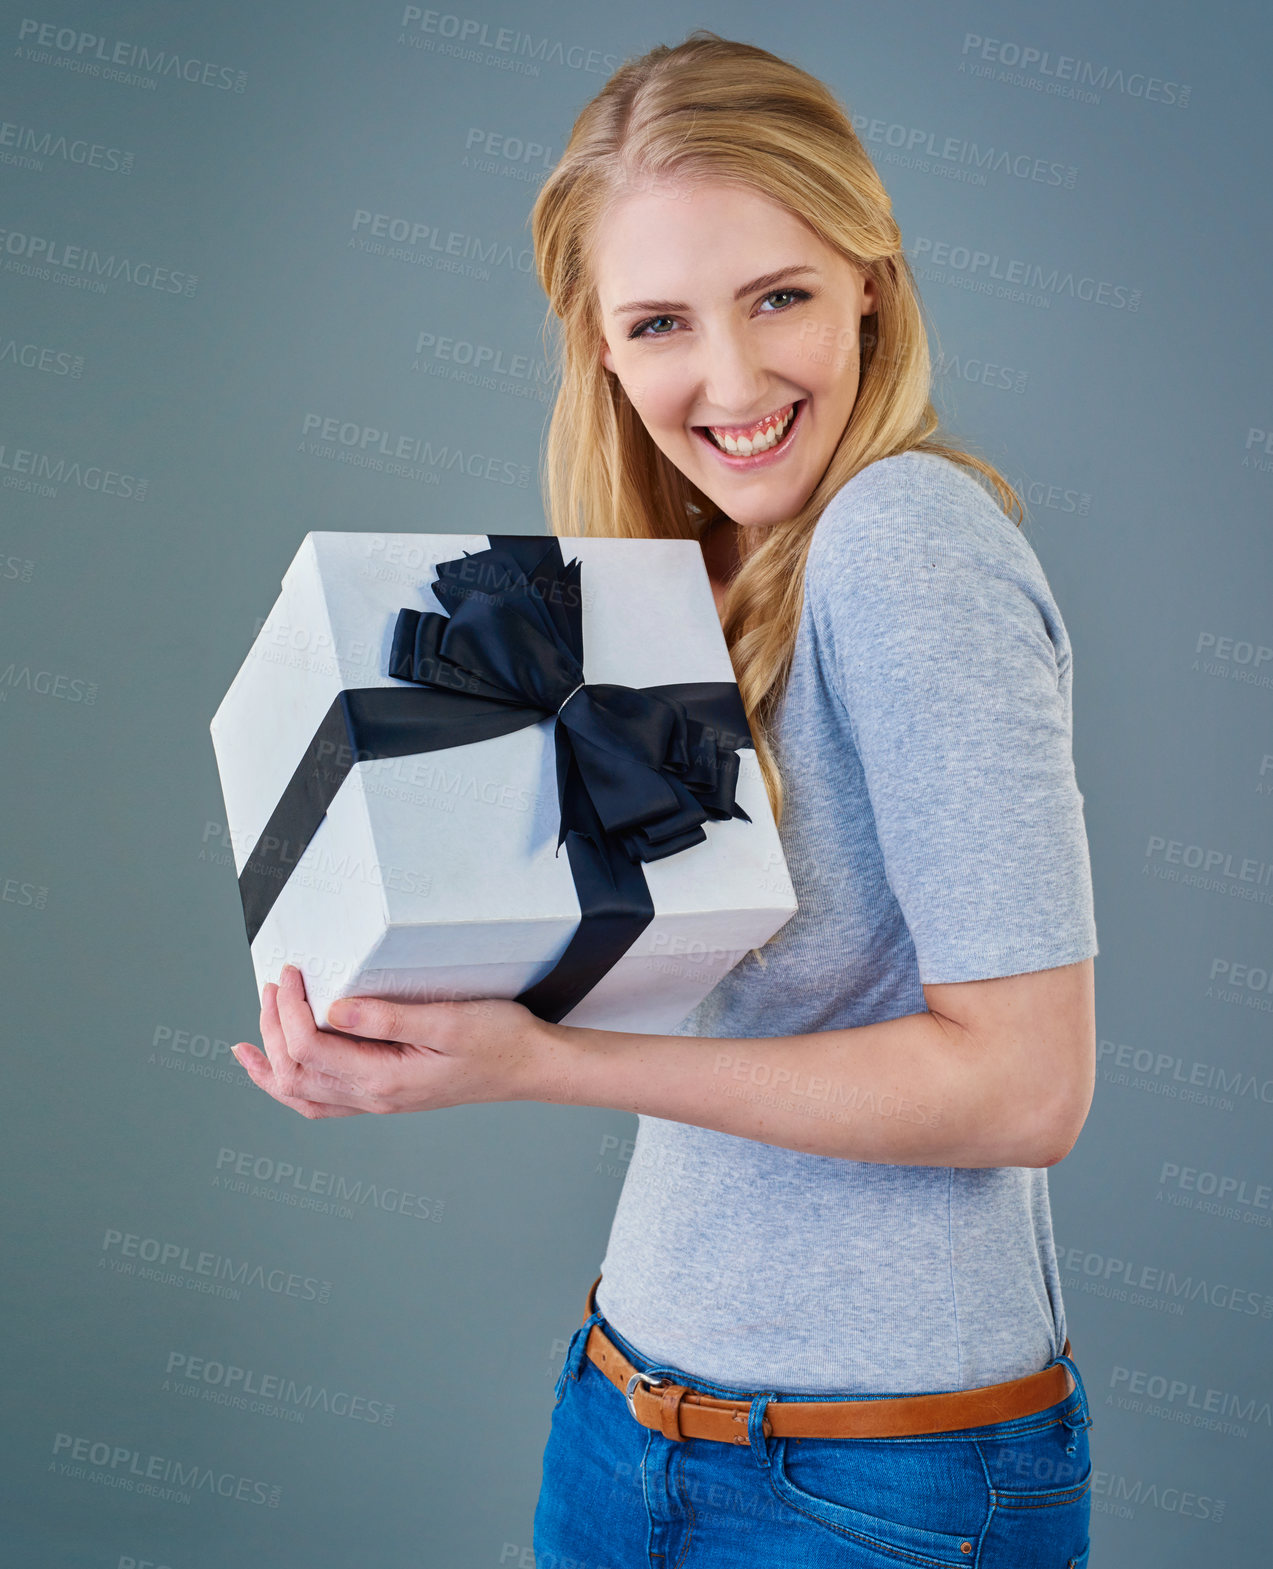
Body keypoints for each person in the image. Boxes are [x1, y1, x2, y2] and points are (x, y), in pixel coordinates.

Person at [232, 30, 1099, 1568]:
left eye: (778, 295)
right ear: (602, 352)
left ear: (869, 279)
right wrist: (391, 1013)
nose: (733, 378)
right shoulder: (696, 585)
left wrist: (539, 1063)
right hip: (632, 1409)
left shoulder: (903, 541)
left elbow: (1023, 1086)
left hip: (863, 1480)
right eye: (659, 323)